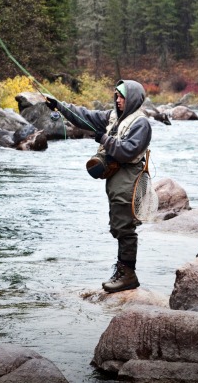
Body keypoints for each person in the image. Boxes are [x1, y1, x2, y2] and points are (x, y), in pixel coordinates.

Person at [44, 79, 152, 293]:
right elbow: (84, 116)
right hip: (116, 176)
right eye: (117, 96)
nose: (118, 100)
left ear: (132, 99)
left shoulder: (141, 123)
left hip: (129, 174)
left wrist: (104, 138)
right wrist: (59, 106)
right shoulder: (112, 117)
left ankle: (128, 275)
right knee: (117, 223)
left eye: (122, 97)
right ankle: (122, 271)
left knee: (125, 226)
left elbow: (128, 150)